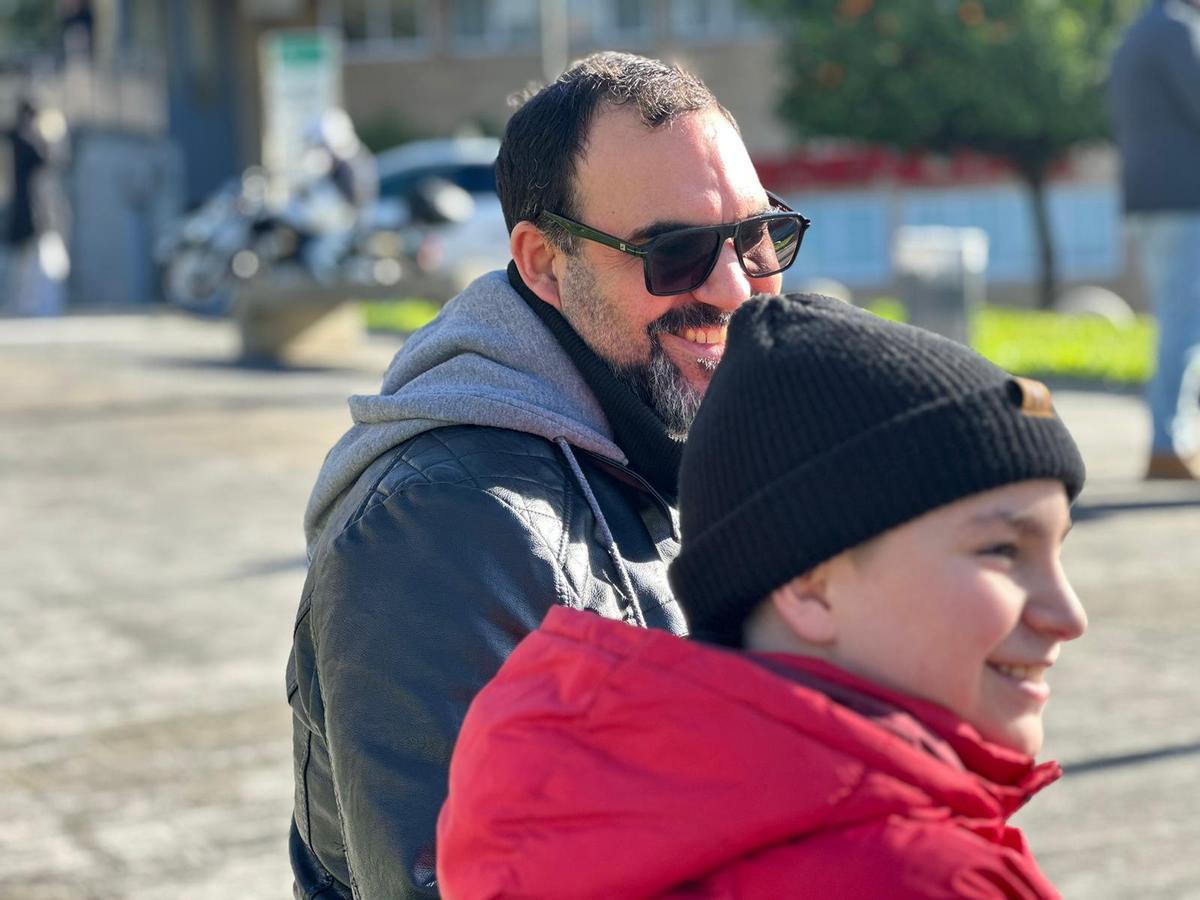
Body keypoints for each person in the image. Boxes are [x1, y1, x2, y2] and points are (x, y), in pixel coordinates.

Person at [286, 52, 807, 898]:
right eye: (675, 252)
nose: (735, 288)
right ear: (542, 262)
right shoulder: (443, 526)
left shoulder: (671, 436)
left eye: (757, 237)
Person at [438, 293, 1088, 898]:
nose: (1068, 615)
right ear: (809, 585)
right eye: (1002, 550)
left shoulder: (585, 827)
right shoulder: (927, 879)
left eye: (1056, 551)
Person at [1109, 0, 1200, 479]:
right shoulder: (1176, 29)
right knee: (1184, 324)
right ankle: (1168, 442)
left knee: (1178, 320)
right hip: (1184, 200)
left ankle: (1172, 436)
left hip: (1148, 198)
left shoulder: (1136, 32)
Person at [3, 101, 47, 315]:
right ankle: (19, 302)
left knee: (18, 259)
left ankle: (17, 302)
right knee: (21, 260)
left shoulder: (12, 139)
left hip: (16, 208)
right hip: (20, 209)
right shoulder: (25, 144)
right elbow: (46, 161)